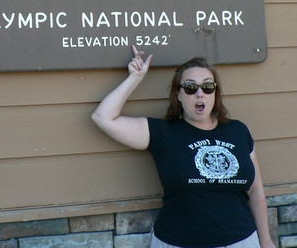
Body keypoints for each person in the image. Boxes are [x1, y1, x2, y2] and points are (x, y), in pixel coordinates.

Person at [91, 46, 275, 248]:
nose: (199, 94)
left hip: (241, 241)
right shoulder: (163, 132)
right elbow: (103, 117)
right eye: (190, 87)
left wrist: (265, 241)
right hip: (178, 242)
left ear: (215, 93)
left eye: (207, 87)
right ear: (178, 95)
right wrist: (135, 77)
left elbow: (256, 190)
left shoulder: (238, 131)